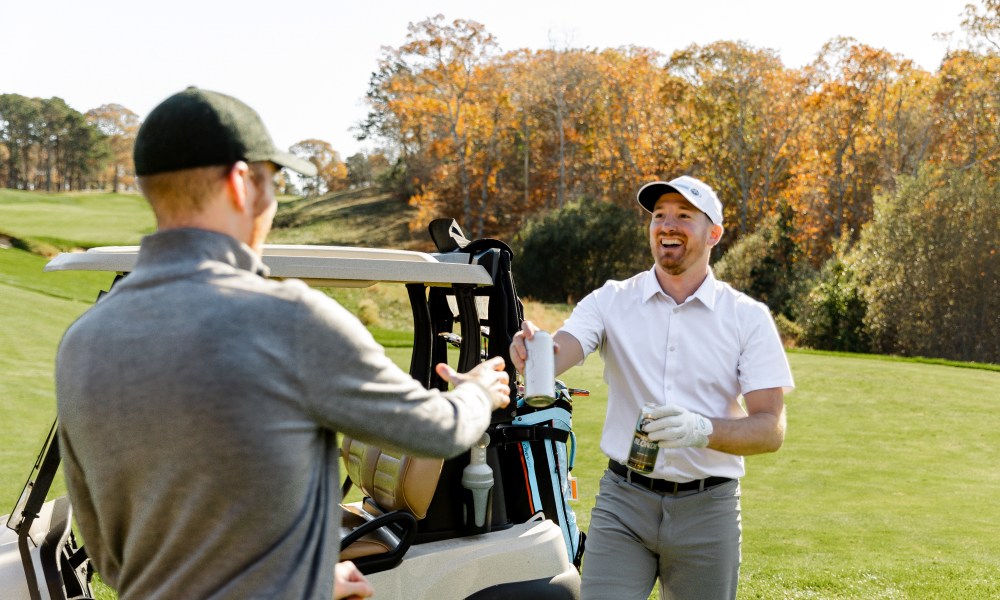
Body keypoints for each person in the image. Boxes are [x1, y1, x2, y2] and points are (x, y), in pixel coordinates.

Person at [55, 87, 510, 600]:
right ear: (239, 183)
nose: (272, 201)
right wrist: (478, 390)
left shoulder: (82, 342)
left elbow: (113, 558)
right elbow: (438, 429)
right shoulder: (288, 320)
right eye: (273, 181)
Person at [510, 175, 794, 600]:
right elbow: (561, 351)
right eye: (659, 215)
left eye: (684, 215)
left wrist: (703, 430)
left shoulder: (746, 317)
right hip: (625, 503)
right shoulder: (611, 300)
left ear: (713, 233)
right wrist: (535, 351)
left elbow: (770, 429)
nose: (667, 225)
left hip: (708, 508)